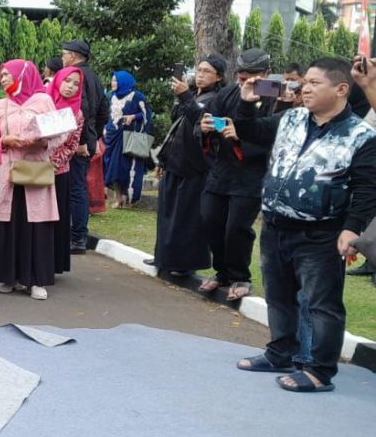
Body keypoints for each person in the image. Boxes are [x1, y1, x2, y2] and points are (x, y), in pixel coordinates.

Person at [232, 58, 376, 392]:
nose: (304, 88)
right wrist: (246, 104)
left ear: (341, 89)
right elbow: (250, 132)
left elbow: (367, 189)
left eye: (314, 83)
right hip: (275, 225)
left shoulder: (361, 135)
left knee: (321, 303)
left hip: (321, 233)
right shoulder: (291, 118)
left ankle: (319, 370)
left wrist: (352, 228)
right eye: (304, 82)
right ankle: (281, 352)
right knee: (279, 296)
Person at [198, 48, 275, 301]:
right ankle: (222, 272)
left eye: (253, 76)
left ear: (267, 74)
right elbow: (209, 117)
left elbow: (276, 134)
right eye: (242, 76)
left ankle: (240, 275)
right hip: (222, 169)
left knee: (237, 228)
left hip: (252, 173)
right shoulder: (229, 92)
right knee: (211, 221)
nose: (247, 82)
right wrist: (206, 127)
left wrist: (241, 136)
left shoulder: (274, 94)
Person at [0, 60, 62, 300]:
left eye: (6, 75)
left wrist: (44, 141)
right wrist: (5, 141)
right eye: (1, 76)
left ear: (22, 75)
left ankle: (36, 280)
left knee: (36, 222)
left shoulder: (43, 101)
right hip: (9, 168)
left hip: (35, 168)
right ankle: (8, 277)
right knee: (10, 219)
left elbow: (60, 132)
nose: (3, 80)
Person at [151, 57, 225, 275]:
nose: (200, 75)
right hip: (176, 161)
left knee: (188, 217)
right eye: (199, 70)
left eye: (207, 71)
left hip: (196, 166)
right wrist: (181, 97)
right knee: (168, 213)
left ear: (218, 76)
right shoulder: (194, 94)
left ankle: (186, 265)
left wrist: (185, 96)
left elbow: (207, 122)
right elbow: (176, 121)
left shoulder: (219, 99)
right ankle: (165, 258)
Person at [61, 39, 109, 253]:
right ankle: (75, 234)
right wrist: (94, 136)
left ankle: (78, 236)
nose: (62, 58)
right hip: (86, 136)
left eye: (64, 54)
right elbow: (103, 112)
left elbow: (84, 109)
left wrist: (81, 141)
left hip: (77, 141)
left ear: (73, 56)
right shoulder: (95, 77)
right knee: (76, 187)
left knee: (75, 188)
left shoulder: (76, 77)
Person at [48, 66, 85, 274]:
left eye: (76, 84)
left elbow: (72, 146)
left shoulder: (77, 113)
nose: (70, 87)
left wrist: (53, 161)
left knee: (57, 217)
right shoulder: (44, 104)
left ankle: (53, 263)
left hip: (59, 171)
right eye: (67, 81)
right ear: (58, 80)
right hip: (34, 169)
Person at [102, 71, 151, 208]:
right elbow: (108, 114)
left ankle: (128, 197)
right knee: (113, 169)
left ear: (124, 82)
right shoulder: (111, 96)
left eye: (116, 81)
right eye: (112, 81)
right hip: (112, 136)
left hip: (128, 137)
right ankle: (118, 197)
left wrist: (134, 117)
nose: (113, 83)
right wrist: (105, 127)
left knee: (126, 168)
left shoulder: (136, 96)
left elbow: (146, 114)